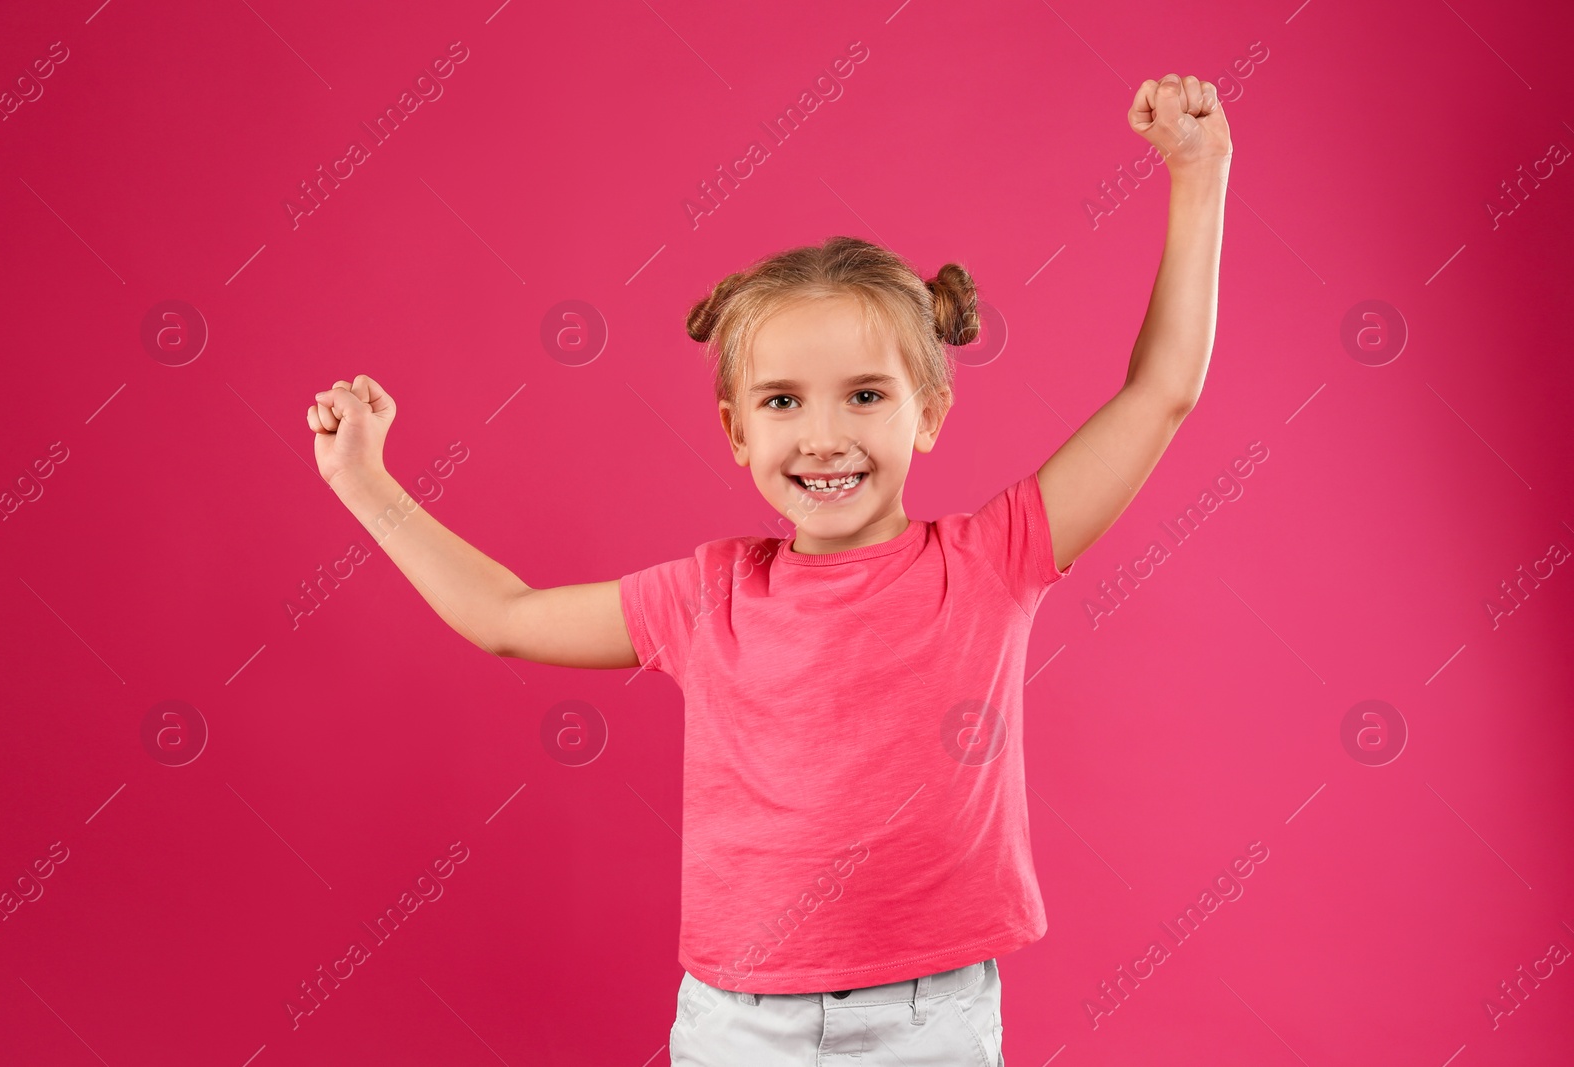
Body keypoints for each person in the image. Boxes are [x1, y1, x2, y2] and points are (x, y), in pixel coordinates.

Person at [307, 71, 1231, 1067]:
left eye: (866, 394)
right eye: (782, 402)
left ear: (929, 411)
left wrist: (1198, 173)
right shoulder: (706, 595)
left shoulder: (993, 557)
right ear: (735, 431)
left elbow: (1159, 391)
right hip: (740, 1022)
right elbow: (507, 612)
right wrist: (365, 483)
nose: (824, 436)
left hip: (931, 1020)